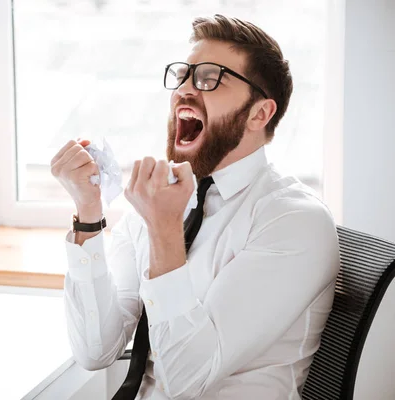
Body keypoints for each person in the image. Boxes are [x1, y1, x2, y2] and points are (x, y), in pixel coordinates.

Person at [50, 14, 340, 400]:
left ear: (260, 113)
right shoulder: (159, 203)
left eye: (209, 78)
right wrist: (88, 212)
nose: (185, 90)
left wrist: (164, 230)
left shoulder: (294, 221)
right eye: (183, 76)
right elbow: (94, 351)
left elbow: (188, 380)